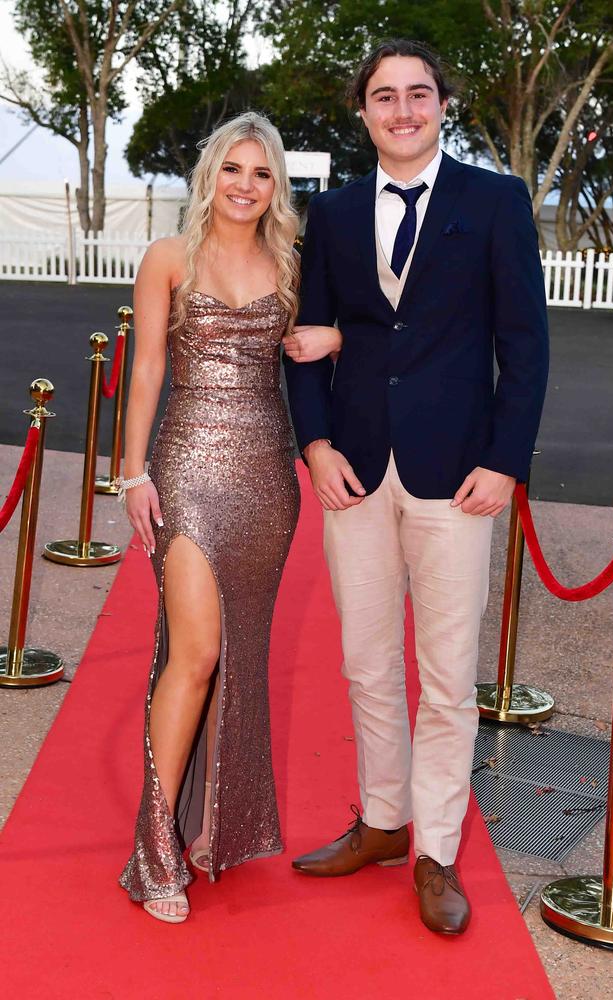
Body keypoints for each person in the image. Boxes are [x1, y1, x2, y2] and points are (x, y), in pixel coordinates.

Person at [282, 39, 549, 936]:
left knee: (444, 676)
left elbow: (526, 346)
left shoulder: (497, 202)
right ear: (363, 111)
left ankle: (436, 849)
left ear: (442, 104)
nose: (402, 109)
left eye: (418, 94)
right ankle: (385, 822)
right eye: (384, 96)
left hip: (457, 475)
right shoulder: (336, 212)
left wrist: (506, 461)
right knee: (365, 663)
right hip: (354, 470)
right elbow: (312, 337)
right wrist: (314, 443)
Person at [118, 111, 341, 924]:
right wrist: (131, 472)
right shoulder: (169, 257)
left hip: (265, 477)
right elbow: (145, 371)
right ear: (210, 174)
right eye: (233, 170)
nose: (246, 186)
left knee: (237, 652)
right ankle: (154, 849)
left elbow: (333, 344)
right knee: (197, 650)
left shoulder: (291, 263)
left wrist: (338, 335)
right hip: (185, 470)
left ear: (276, 186)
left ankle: (209, 827)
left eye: (262, 174)